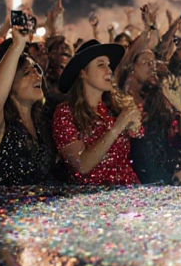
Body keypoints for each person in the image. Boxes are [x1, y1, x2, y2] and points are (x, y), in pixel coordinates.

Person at [52, 39, 143, 185]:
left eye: (109, 65)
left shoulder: (114, 107)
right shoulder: (65, 113)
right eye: (101, 65)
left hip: (128, 194)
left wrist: (134, 124)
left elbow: (138, 137)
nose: (109, 71)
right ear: (83, 73)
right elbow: (81, 165)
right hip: (93, 200)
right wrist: (117, 127)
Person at [0, 20, 56, 184]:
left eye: (37, 71)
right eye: (27, 73)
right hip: (6, 208)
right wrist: (17, 46)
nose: (37, 76)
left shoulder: (42, 123)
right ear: (9, 86)